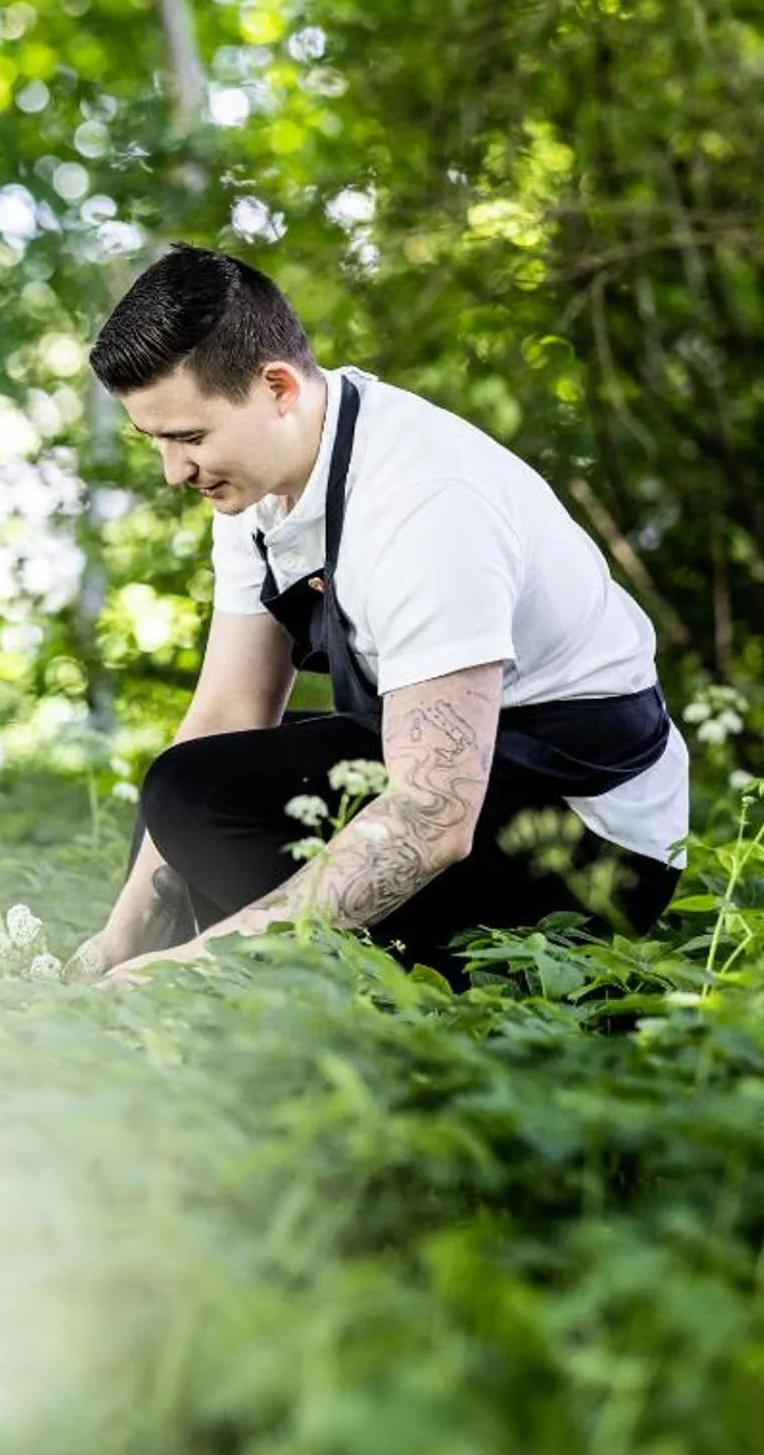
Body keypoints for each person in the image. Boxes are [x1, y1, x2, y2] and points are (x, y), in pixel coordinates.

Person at [68, 245, 688, 987]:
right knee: (192, 776)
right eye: (157, 442)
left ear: (276, 387)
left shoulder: (424, 502)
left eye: (189, 438)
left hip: (591, 844)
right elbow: (228, 713)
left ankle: (320, 1001)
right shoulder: (257, 484)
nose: (174, 471)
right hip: (478, 778)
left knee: (205, 802)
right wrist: (120, 938)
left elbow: (432, 814)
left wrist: (202, 965)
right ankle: (196, 996)